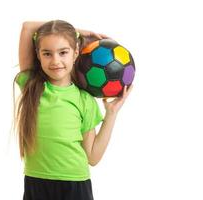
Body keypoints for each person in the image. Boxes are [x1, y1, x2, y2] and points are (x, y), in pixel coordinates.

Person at [12, 20, 133, 200]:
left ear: (75, 52)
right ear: (38, 54)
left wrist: (112, 113)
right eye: (47, 53)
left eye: (63, 52)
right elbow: (28, 27)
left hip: (75, 184)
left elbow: (92, 157)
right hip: (36, 181)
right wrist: (77, 32)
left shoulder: (84, 100)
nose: (56, 61)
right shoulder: (32, 86)